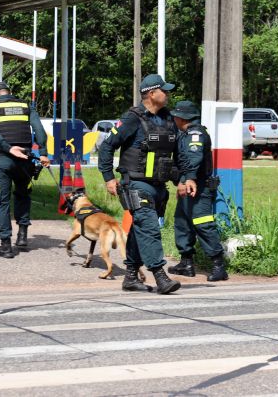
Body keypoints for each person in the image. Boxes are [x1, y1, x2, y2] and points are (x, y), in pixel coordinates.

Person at [98, 74, 181, 295]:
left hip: (159, 186)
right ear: (151, 94)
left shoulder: (168, 120)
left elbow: (177, 153)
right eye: (165, 90)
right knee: (149, 227)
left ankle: (131, 277)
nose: (168, 94)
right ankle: (160, 275)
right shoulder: (132, 119)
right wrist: (108, 177)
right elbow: (107, 147)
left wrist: (184, 178)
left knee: (139, 229)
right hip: (136, 184)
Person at [0, 81, 49, 258]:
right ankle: (22, 237)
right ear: (9, 93)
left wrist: (7, 147)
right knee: (23, 194)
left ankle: (5, 245)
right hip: (26, 159)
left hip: (4, 158)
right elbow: (39, 130)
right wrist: (42, 153)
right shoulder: (25, 105)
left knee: (1, 200)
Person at [167, 101, 228, 282]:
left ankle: (219, 266)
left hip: (198, 188)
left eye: (176, 115)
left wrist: (189, 178)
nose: (174, 118)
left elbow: (194, 157)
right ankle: (186, 264)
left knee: (203, 224)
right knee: (182, 222)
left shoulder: (195, 134)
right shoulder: (184, 133)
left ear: (182, 117)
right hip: (187, 186)